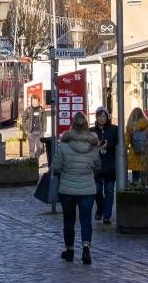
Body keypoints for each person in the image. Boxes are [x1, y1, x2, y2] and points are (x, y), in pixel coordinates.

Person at [51, 112, 102, 264]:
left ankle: (70, 250)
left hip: (67, 190)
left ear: (72, 125)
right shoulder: (93, 146)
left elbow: (57, 167)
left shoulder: (64, 144)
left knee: (69, 221)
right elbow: (97, 165)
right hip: (87, 190)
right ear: (86, 126)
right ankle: (86, 248)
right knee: (86, 220)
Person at [92, 106, 120, 224]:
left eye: (103, 116)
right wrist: (96, 144)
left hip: (110, 165)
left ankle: (107, 216)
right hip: (97, 166)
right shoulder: (92, 131)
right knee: (97, 190)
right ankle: (100, 207)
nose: (101, 119)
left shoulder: (114, 129)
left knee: (109, 191)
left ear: (107, 117)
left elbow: (119, 143)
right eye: (99, 116)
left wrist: (108, 146)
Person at [125, 106, 148, 185]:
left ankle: (136, 193)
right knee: (145, 180)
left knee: (135, 178)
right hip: (146, 155)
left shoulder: (130, 127)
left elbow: (126, 142)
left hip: (134, 156)